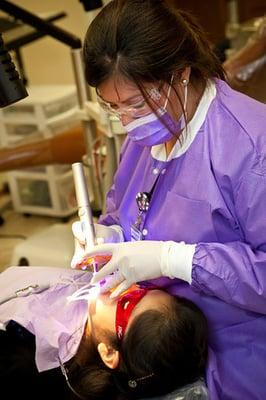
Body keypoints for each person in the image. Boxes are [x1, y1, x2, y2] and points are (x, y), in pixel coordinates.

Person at [71, 1, 266, 399]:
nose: (126, 121)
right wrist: (107, 235)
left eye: (135, 103)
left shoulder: (251, 150)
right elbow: (125, 205)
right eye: (113, 106)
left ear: (180, 75)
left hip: (238, 356)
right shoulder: (151, 128)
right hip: (157, 351)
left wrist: (174, 260)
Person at [0, 266, 208, 400]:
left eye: (126, 303)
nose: (124, 286)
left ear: (109, 352)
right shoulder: (87, 310)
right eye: (142, 288)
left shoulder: (22, 361)